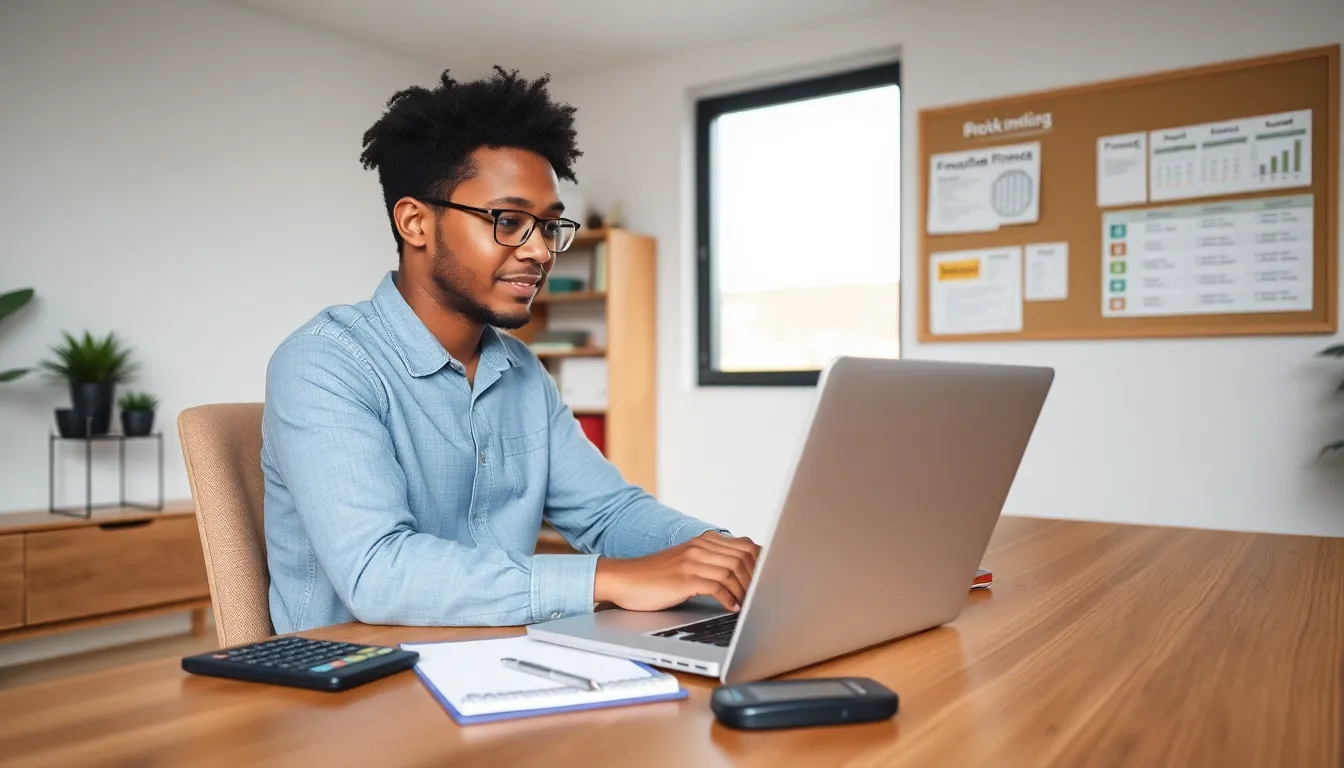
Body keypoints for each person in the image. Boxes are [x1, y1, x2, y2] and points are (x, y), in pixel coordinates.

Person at [261, 67, 760, 634]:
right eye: (509, 221)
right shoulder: (324, 364)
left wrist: (719, 553)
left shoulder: (521, 370)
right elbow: (378, 573)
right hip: (359, 673)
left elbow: (608, 511)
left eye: (548, 227)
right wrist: (606, 579)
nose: (540, 251)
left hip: (500, 656)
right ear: (416, 222)